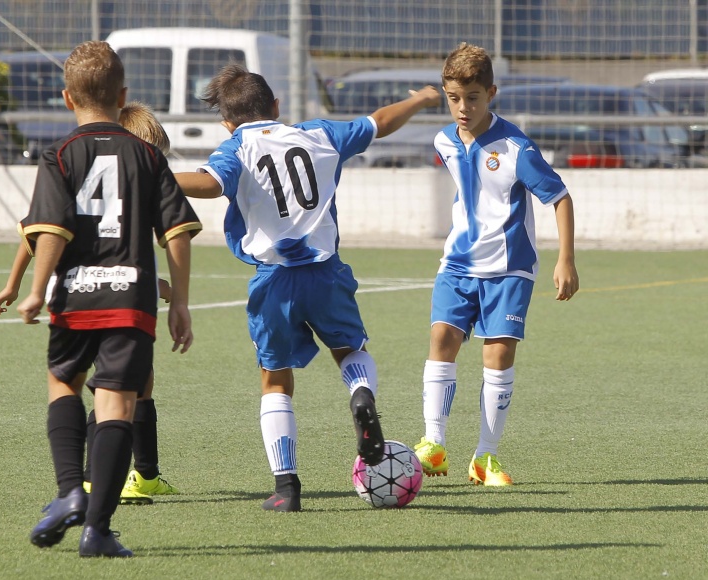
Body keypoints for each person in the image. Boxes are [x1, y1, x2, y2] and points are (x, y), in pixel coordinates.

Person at [175, 64, 441, 512]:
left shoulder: (237, 146)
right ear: (276, 107)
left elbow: (207, 184)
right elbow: (379, 123)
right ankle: (361, 397)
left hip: (274, 281)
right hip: (326, 274)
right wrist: (420, 99)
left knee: (275, 380)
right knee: (350, 352)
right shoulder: (319, 134)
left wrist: (149, 173)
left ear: (227, 122)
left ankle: (286, 487)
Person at [15, 41, 201, 557]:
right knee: (118, 402)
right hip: (133, 299)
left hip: (77, 296)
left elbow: (49, 229)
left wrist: (35, 290)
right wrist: (180, 302)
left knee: (62, 382)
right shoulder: (146, 154)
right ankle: (97, 530)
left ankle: (71, 489)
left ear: (67, 97)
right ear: (123, 96)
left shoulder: (60, 155)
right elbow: (178, 232)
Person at [0, 101, 185, 506]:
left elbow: (34, 233)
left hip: (82, 291)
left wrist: (16, 286)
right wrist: (167, 292)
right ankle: (101, 479)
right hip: (112, 296)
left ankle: (140, 474)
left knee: (128, 383)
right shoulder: (137, 171)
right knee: (118, 387)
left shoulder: (74, 161)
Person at [412, 42, 579, 486]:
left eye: (472, 98)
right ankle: (433, 444)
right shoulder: (444, 140)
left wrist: (566, 259)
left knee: (497, 355)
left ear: (492, 93)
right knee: (442, 338)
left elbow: (559, 197)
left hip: (509, 267)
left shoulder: (516, 148)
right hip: (458, 263)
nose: (462, 108)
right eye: (453, 98)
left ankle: (485, 457)